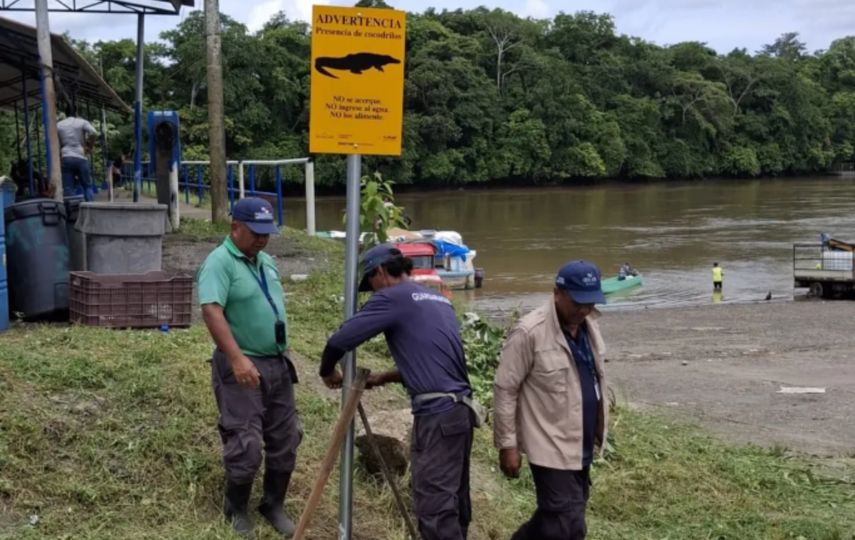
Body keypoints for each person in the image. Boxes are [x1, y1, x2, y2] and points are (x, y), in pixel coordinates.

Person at [319, 243, 478, 540]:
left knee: (434, 505)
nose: (374, 291)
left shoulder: (392, 297)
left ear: (380, 272)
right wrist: (384, 377)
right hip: (460, 412)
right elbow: (435, 362)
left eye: (372, 284)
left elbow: (339, 341)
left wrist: (327, 371)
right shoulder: (435, 298)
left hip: (438, 417)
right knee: (455, 498)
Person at [197, 197, 301, 538]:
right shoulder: (220, 262)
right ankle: (236, 507)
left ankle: (272, 503)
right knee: (246, 442)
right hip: (242, 363)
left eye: (267, 233)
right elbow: (212, 310)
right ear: (235, 228)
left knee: (285, 439)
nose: (262, 239)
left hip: (277, 363)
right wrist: (237, 358)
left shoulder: (265, 260)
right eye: (255, 233)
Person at [494, 260, 609, 540]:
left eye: (590, 303)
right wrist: (508, 445)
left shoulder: (589, 328)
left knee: (562, 517)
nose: (584, 309)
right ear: (558, 292)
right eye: (578, 302)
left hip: (580, 442)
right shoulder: (530, 332)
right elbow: (505, 388)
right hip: (549, 442)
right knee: (567, 524)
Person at [57, 105, 98, 201]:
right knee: (87, 186)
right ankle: (91, 209)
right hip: (80, 157)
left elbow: (56, 142)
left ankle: (71, 212)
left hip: (66, 157)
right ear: (76, 112)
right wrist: (89, 146)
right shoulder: (82, 122)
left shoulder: (59, 125)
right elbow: (94, 133)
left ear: (65, 113)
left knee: (68, 187)